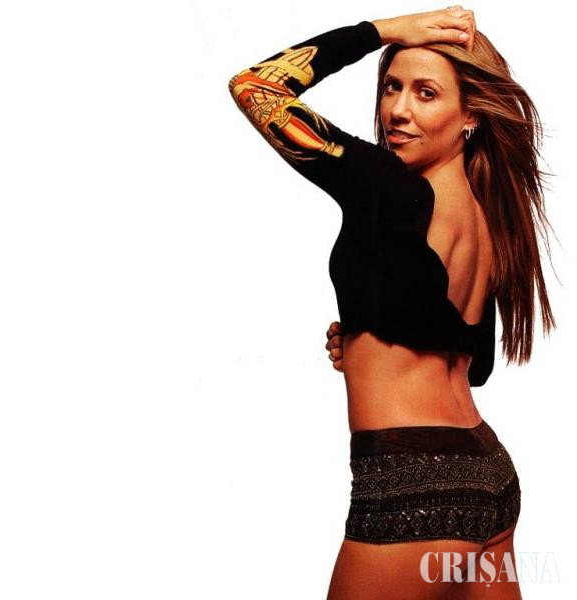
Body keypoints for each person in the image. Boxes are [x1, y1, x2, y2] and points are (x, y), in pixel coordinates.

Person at [228, 6, 556, 598]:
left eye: (426, 93)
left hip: (412, 488)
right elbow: (472, 364)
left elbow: (256, 87)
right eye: (391, 87)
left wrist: (382, 32)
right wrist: (364, 331)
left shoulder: (385, 187)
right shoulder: (488, 218)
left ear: (471, 114)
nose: (398, 110)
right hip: (489, 478)